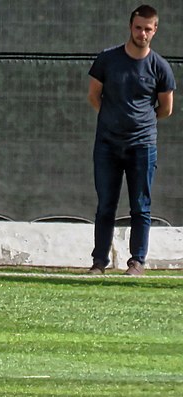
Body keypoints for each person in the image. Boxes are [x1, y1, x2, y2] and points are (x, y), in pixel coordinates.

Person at [86, 4, 175, 276]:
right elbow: (93, 96)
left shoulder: (160, 67)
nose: (142, 33)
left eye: (148, 29)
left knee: (141, 206)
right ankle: (99, 262)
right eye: (138, 27)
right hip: (107, 146)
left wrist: (139, 124)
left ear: (155, 30)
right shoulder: (107, 59)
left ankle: (137, 262)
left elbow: (166, 108)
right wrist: (114, 119)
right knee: (105, 205)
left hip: (142, 146)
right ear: (130, 27)